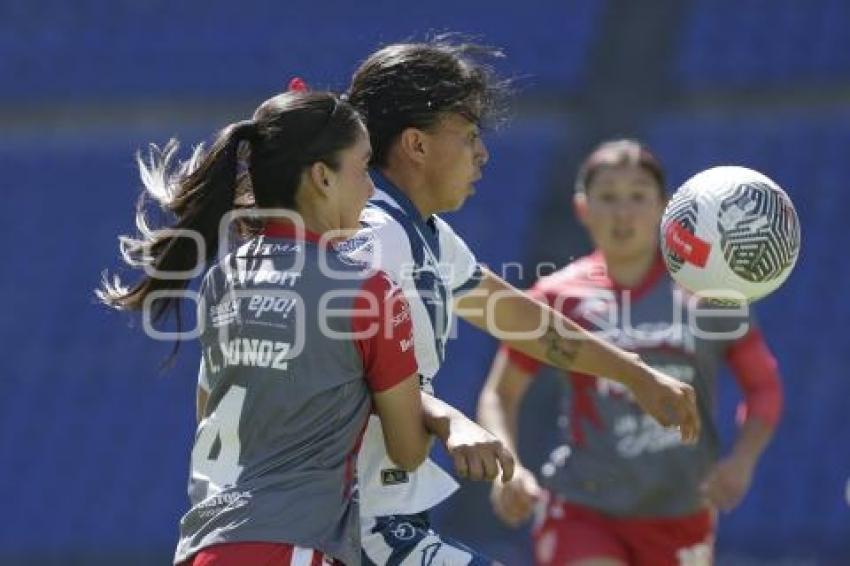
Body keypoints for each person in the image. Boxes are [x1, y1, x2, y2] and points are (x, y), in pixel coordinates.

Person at [344, 41, 701, 565]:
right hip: (347, 524)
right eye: (468, 137)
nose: (482, 154)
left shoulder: (426, 237)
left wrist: (635, 375)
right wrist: (448, 421)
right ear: (416, 145)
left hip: (382, 520)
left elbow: (518, 318)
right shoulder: (372, 237)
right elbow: (341, 374)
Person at [98, 89, 437, 565]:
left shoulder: (223, 278)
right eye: (362, 170)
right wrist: (431, 410)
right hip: (289, 545)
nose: (370, 190)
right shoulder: (367, 290)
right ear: (322, 177)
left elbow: (208, 412)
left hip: (205, 545)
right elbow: (407, 452)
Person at [479, 139, 784, 566]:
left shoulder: (709, 292)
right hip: (583, 507)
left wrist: (743, 460)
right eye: (607, 197)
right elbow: (500, 394)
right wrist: (507, 469)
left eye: (638, 196)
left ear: (665, 207)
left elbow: (764, 386)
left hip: (683, 514)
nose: (623, 213)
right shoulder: (556, 297)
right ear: (583, 208)